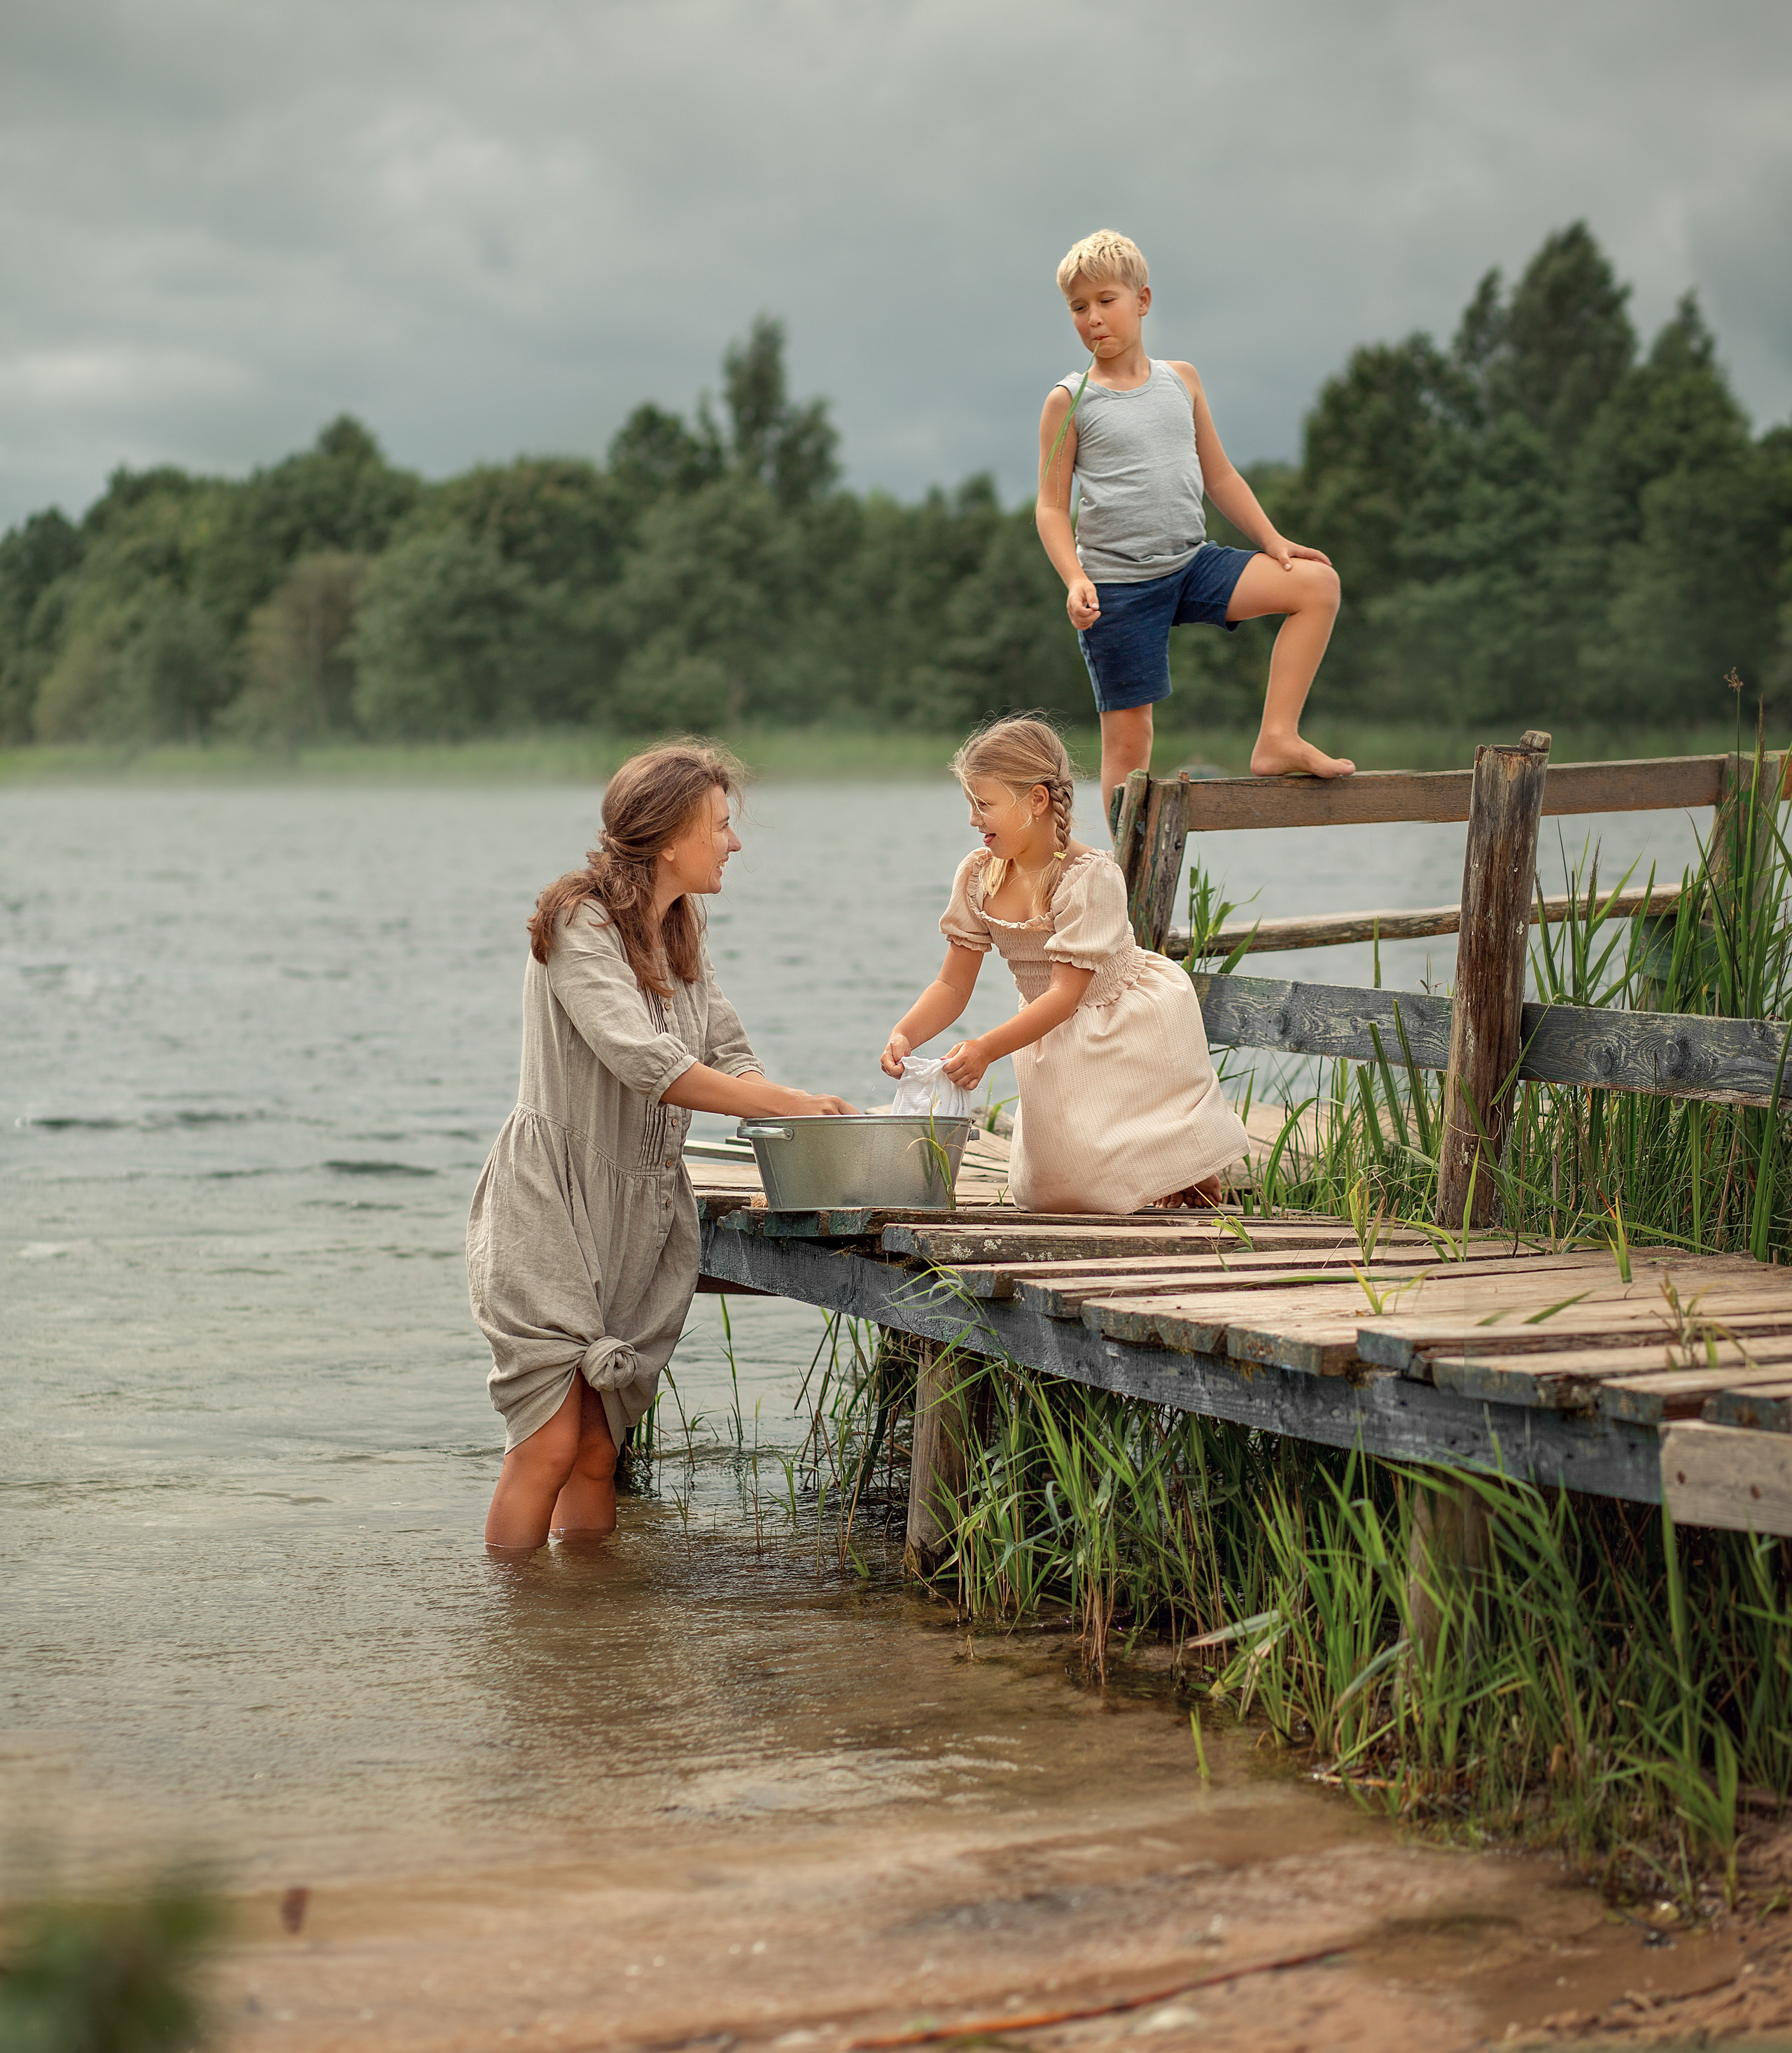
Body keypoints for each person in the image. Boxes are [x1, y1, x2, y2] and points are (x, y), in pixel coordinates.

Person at [470, 741, 854, 1551]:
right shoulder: (581, 920)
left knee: (598, 1450)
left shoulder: (678, 927)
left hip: (640, 1210)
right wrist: (782, 1100)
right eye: (721, 824)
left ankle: (591, 1633)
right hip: (554, 1201)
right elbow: (646, 1061)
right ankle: (511, 1639)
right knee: (547, 1442)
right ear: (672, 833)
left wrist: (805, 1122)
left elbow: (726, 1046)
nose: (734, 842)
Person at [1035, 228, 1353, 822]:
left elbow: (1221, 477)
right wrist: (1075, 579)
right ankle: (1127, 889)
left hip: (1192, 564)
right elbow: (1051, 507)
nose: (1092, 318)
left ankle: (1277, 739)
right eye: (1078, 308)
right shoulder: (1070, 401)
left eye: (1106, 300)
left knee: (1316, 585)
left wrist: (1274, 541)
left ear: (1143, 300)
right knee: (1131, 749)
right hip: (1117, 589)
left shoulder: (1182, 380)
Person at [879, 717, 1247, 1215]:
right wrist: (906, 1032)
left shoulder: (1088, 877)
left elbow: (1066, 995)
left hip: (1121, 1021)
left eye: (984, 804)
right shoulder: (977, 877)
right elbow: (951, 982)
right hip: (1048, 1029)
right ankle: (1150, 1174)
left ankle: (1191, 1174)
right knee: (1052, 1192)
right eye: (971, 804)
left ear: (1036, 800)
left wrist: (987, 1048)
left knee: (1142, 1148)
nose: (972, 818)